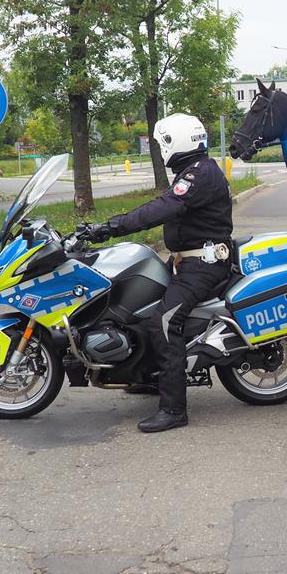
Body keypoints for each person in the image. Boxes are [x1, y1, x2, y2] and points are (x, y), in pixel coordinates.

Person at [88, 113, 232, 433]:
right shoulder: (193, 171)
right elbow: (164, 206)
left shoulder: (199, 174)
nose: (160, 149)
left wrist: (109, 227)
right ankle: (149, 376)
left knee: (165, 321)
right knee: (139, 306)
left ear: (174, 142)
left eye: (161, 143)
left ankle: (174, 409)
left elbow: (161, 209)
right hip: (186, 260)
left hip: (203, 264)